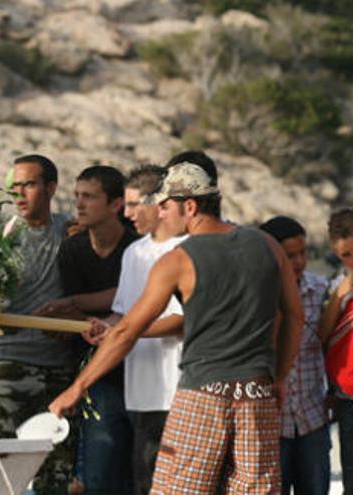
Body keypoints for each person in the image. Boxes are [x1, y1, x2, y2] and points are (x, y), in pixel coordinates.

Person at [50, 161, 303, 495]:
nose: (162, 212)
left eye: (166, 205)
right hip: (257, 394)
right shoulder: (267, 245)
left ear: (191, 206)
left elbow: (126, 332)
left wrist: (77, 387)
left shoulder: (177, 261)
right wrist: (280, 377)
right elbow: (294, 316)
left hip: (202, 395)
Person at [37, 165, 138, 494]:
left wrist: (73, 304)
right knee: (95, 478)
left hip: (140, 369)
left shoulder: (136, 248)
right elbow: (79, 311)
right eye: (78, 196)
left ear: (116, 205)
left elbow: (131, 295)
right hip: (96, 371)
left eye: (90, 197)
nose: (79, 204)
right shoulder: (73, 249)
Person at [86, 165, 187, 495]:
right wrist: (107, 328)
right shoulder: (134, 252)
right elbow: (122, 313)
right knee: (141, 484)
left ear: (159, 204)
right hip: (138, 392)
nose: (126, 214)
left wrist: (128, 332)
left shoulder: (188, 249)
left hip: (177, 389)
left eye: (133, 205)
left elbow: (181, 319)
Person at [0, 154, 82, 494]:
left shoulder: (72, 232)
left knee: (55, 477)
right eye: (15, 186)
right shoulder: (2, 236)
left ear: (51, 188)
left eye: (28, 184)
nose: (19, 193)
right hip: (10, 365)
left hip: (61, 372)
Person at [259, 216, 330, 495]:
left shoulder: (321, 291)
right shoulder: (257, 296)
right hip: (270, 424)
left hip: (313, 419)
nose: (299, 262)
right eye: (290, 256)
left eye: (303, 253)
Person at [321, 207, 353, 493]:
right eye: (347, 256)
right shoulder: (333, 288)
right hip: (346, 394)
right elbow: (322, 337)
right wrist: (340, 295)